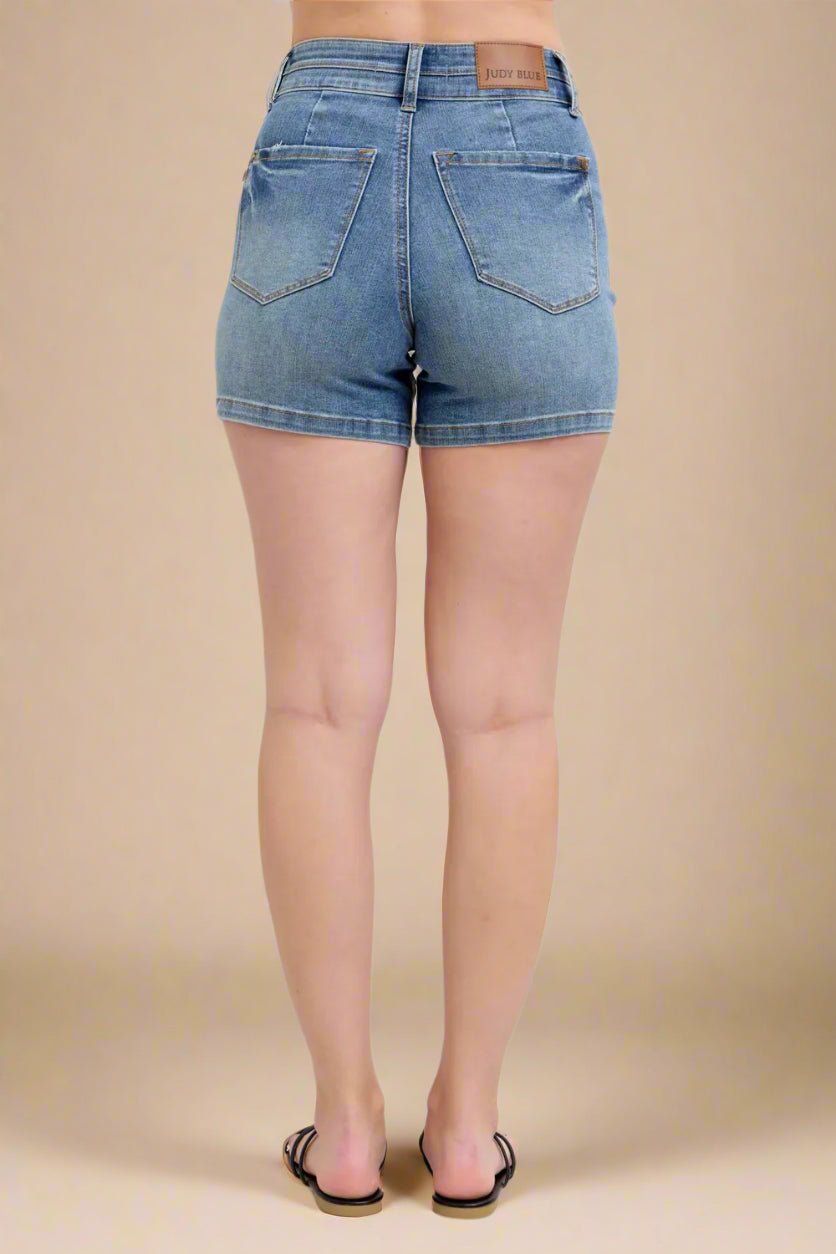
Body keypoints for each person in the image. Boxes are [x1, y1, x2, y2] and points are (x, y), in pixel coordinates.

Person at [214, 0, 618, 1218]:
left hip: (319, 139)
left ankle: (344, 1126)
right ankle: (465, 1129)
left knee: (316, 704)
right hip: (514, 139)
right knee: (503, 711)